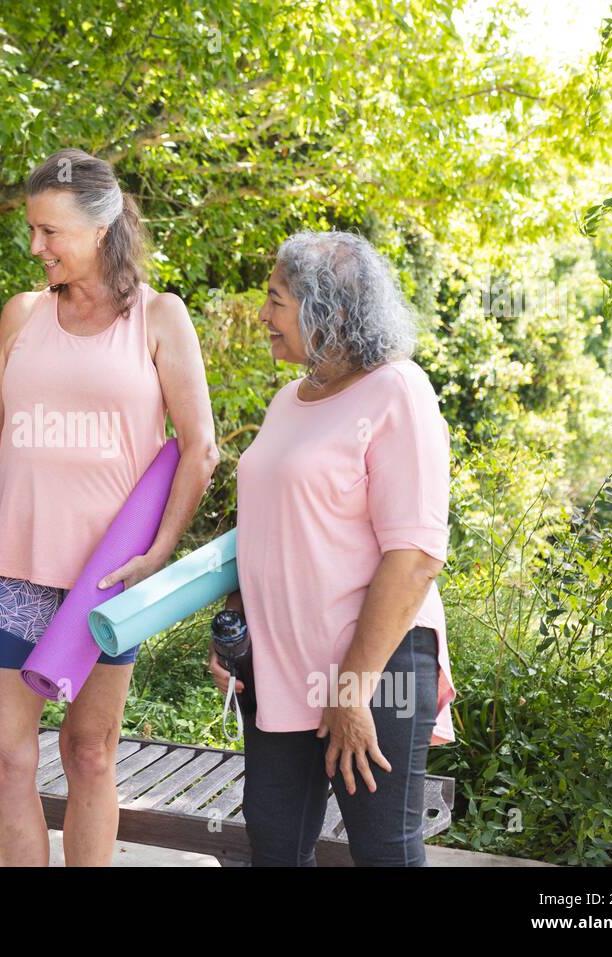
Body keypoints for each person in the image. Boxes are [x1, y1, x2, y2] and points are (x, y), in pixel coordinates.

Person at [0, 148, 218, 865]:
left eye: (49, 231)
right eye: (32, 230)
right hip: (19, 572)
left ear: (101, 227)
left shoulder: (160, 317)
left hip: (106, 582)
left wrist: (158, 552)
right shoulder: (23, 314)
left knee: (89, 751)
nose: (35, 246)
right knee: (4, 759)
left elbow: (200, 449)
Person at [210, 230, 456, 866]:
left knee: (383, 852)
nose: (262, 315)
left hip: (375, 668)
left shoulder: (399, 390)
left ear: (331, 313)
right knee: (274, 846)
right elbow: (268, 527)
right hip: (281, 663)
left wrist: (352, 690)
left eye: (275, 300)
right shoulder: (289, 400)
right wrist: (234, 625)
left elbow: (417, 554)